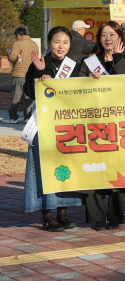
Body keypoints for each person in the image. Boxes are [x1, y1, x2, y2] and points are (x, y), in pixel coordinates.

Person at [79, 22, 125, 230]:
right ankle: (97, 217)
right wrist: (87, 81)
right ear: (98, 38)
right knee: (93, 169)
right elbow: (76, 89)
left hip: (117, 124)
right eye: (104, 35)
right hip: (93, 122)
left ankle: (114, 216)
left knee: (116, 169)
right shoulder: (88, 62)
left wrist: (117, 59)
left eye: (112, 34)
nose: (108, 38)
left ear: (120, 38)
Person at [23, 26, 83, 231]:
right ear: (49, 43)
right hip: (44, 125)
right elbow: (30, 91)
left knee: (65, 168)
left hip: (66, 126)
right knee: (43, 168)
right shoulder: (41, 62)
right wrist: (40, 71)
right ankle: (47, 216)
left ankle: (63, 214)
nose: (61, 46)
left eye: (65, 42)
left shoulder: (75, 66)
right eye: (57, 42)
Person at [3, 26, 39, 124]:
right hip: (31, 74)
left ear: (18, 35)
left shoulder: (17, 44)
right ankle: (28, 117)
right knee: (29, 97)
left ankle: (13, 117)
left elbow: (12, 58)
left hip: (19, 73)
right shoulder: (34, 44)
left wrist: (9, 53)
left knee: (16, 96)